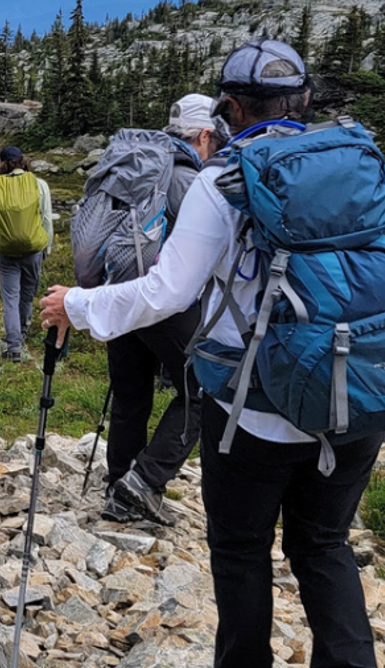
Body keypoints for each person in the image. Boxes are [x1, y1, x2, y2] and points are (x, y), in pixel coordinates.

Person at [39, 40, 382, 668]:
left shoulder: (224, 181)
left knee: (241, 548)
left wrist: (79, 306)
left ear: (229, 108)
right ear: (305, 101)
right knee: (324, 546)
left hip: (259, 405)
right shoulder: (362, 163)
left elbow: (167, 291)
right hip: (357, 394)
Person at [98, 94, 225, 527]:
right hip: (164, 303)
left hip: (119, 295)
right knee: (204, 390)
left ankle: (119, 481)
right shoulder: (190, 179)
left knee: (130, 394)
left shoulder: (139, 166)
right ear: (204, 135)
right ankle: (145, 482)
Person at [0, 146, 53, 360]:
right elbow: (45, 218)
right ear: (22, 160)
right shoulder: (39, 184)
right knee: (26, 295)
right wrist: (47, 247)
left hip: (6, 252)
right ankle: (22, 334)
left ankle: (13, 347)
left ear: (3, 164)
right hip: (33, 250)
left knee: (10, 299)